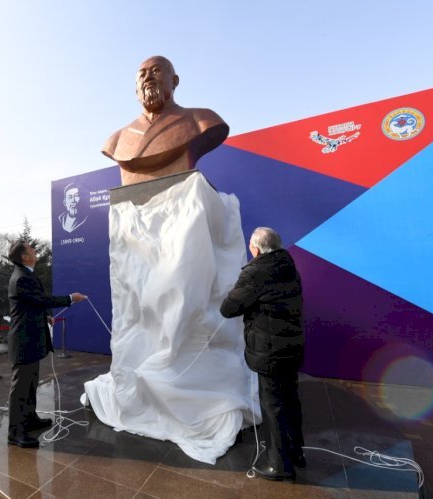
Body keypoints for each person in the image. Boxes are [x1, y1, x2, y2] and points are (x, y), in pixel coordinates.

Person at [220, 227, 305, 481]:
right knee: (290, 400)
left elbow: (228, 308)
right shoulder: (288, 265)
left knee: (273, 407)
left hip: (270, 350)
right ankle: (296, 453)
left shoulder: (256, 272)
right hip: (292, 346)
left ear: (255, 248)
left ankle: (279, 465)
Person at [6, 240, 86, 448]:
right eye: (30, 248)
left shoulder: (26, 274)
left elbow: (31, 304)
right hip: (24, 342)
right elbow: (42, 299)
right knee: (21, 388)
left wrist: (43, 317)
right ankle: (15, 433)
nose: (34, 249)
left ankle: (29, 419)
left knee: (31, 384)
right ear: (24, 256)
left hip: (30, 340)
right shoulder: (22, 278)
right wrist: (70, 298)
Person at [102, 55, 229, 186]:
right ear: (136, 91)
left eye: (156, 70)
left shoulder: (202, 119)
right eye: (142, 75)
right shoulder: (116, 141)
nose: (148, 78)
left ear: (174, 81)